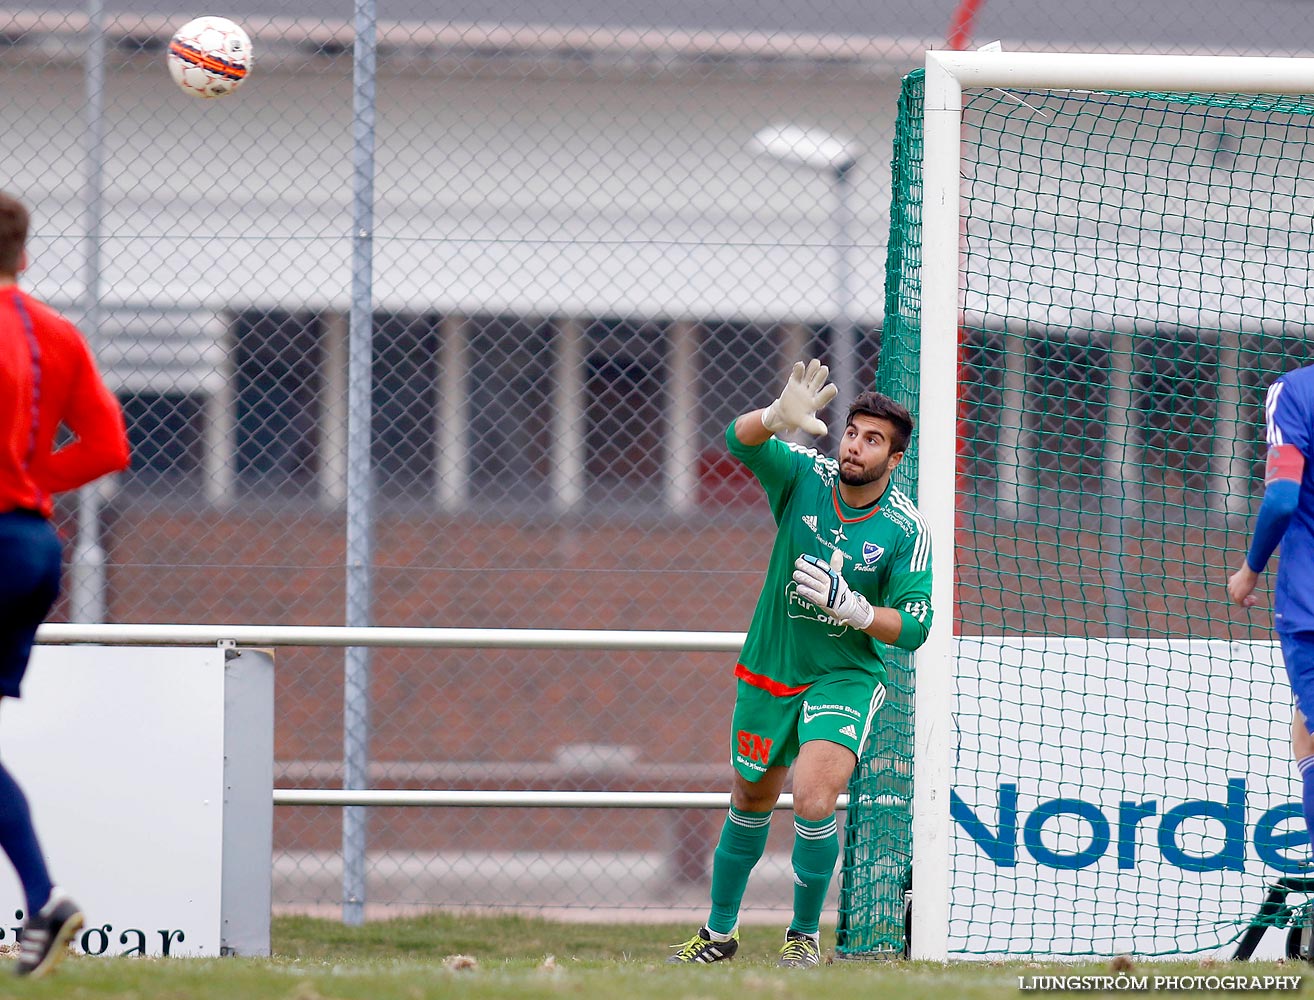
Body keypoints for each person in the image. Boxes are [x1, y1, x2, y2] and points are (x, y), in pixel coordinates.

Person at [668, 359, 933, 968]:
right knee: (752, 795)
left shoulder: (904, 528)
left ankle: (804, 938)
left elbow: (914, 625)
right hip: (772, 665)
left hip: (844, 675)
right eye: (852, 433)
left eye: (873, 441)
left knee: (815, 797)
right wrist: (771, 418)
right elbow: (739, 443)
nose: (855, 447)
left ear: (894, 461)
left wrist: (857, 610)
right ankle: (718, 935)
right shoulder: (804, 477)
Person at [0, 192, 130, 978]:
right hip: (30, 546)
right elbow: (109, 443)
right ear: (24, 254)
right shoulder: (54, 331)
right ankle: (45, 903)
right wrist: (29, 482)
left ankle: (46, 899)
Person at [1228, 364, 1314, 867]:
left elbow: (1282, 498)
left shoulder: (1295, 390)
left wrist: (1249, 569)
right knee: (1303, 725)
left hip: (1308, 600)